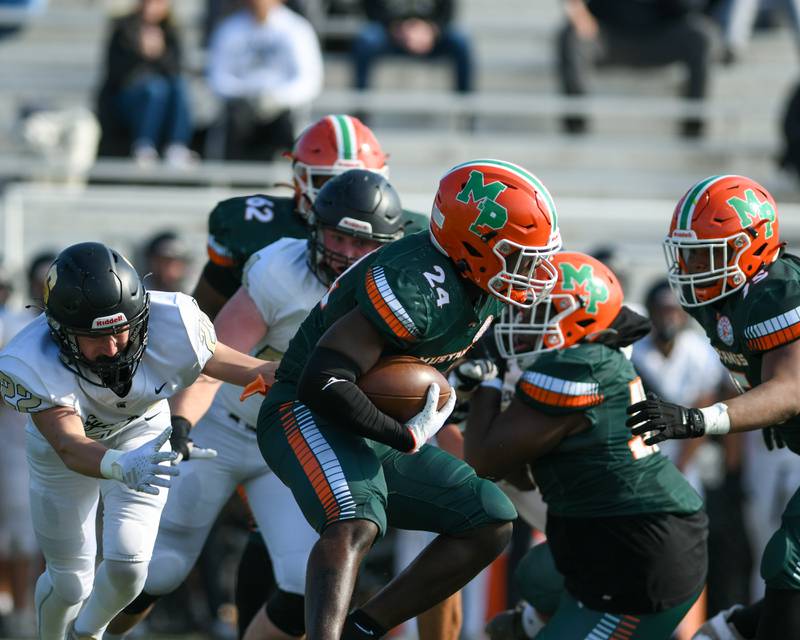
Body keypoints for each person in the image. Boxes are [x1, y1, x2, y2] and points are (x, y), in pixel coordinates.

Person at [256, 158, 562, 640]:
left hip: (368, 425)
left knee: (489, 517)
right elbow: (325, 380)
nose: (530, 268)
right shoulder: (415, 283)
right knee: (355, 519)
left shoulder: (475, 277)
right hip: (305, 411)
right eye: (517, 254)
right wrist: (402, 433)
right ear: (472, 247)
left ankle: (363, 628)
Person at [108, 169, 406, 640]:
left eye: (362, 244)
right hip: (220, 428)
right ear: (313, 227)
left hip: (293, 439)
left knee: (308, 582)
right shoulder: (279, 271)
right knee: (158, 568)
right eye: (337, 237)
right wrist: (183, 422)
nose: (348, 254)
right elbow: (213, 358)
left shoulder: (393, 292)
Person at [0, 242, 277, 640]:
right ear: (61, 333)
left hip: (142, 432)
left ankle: (87, 635)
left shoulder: (174, 320)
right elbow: (67, 444)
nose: (113, 348)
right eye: (95, 338)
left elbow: (253, 370)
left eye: (120, 330)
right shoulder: (29, 360)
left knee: (131, 567)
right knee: (70, 581)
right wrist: (119, 464)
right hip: (66, 457)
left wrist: (317, 379)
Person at [468, 251, 708, 639]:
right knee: (537, 574)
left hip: (637, 556)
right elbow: (520, 474)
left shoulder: (578, 365)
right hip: (607, 537)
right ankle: (540, 623)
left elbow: (482, 459)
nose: (524, 321)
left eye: (540, 311)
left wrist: (489, 379)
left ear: (577, 316)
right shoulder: (592, 356)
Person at [626, 175, 800, 640]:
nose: (691, 264)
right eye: (687, 251)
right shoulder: (724, 298)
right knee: (790, 568)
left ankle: (732, 630)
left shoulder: (777, 290)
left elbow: (789, 389)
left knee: (790, 561)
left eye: (707, 251)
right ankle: (732, 631)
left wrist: (699, 420)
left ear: (750, 246)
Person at [194, 113, 391, 319]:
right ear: (299, 177)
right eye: (327, 181)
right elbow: (205, 313)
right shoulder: (253, 224)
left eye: (358, 185)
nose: (342, 197)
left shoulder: (404, 233)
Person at [557, 0, 718, 137]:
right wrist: (578, 11)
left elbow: (691, 8)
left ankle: (693, 125)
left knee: (701, 36)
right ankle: (576, 125)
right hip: (606, 35)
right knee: (571, 37)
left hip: (662, 33)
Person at [206, 0, 323, 161]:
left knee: (288, 126)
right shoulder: (229, 29)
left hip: (282, 111)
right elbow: (218, 77)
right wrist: (247, 95)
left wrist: (277, 99)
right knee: (235, 121)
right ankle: (233, 178)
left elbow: (309, 79)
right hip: (242, 109)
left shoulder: (297, 29)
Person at [96, 0, 196, 166]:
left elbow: (176, 69)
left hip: (164, 97)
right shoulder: (123, 28)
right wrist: (140, 53)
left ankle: (176, 145)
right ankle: (144, 144)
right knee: (154, 88)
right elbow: (116, 72)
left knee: (178, 85)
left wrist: (159, 54)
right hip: (127, 98)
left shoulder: (170, 30)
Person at [352, 0, 473, 94]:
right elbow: (371, 8)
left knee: (460, 41)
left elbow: (447, 11)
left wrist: (431, 30)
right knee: (367, 39)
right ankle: (360, 110)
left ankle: (466, 110)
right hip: (390, 34)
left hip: (430, 35)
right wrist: (397, 28)